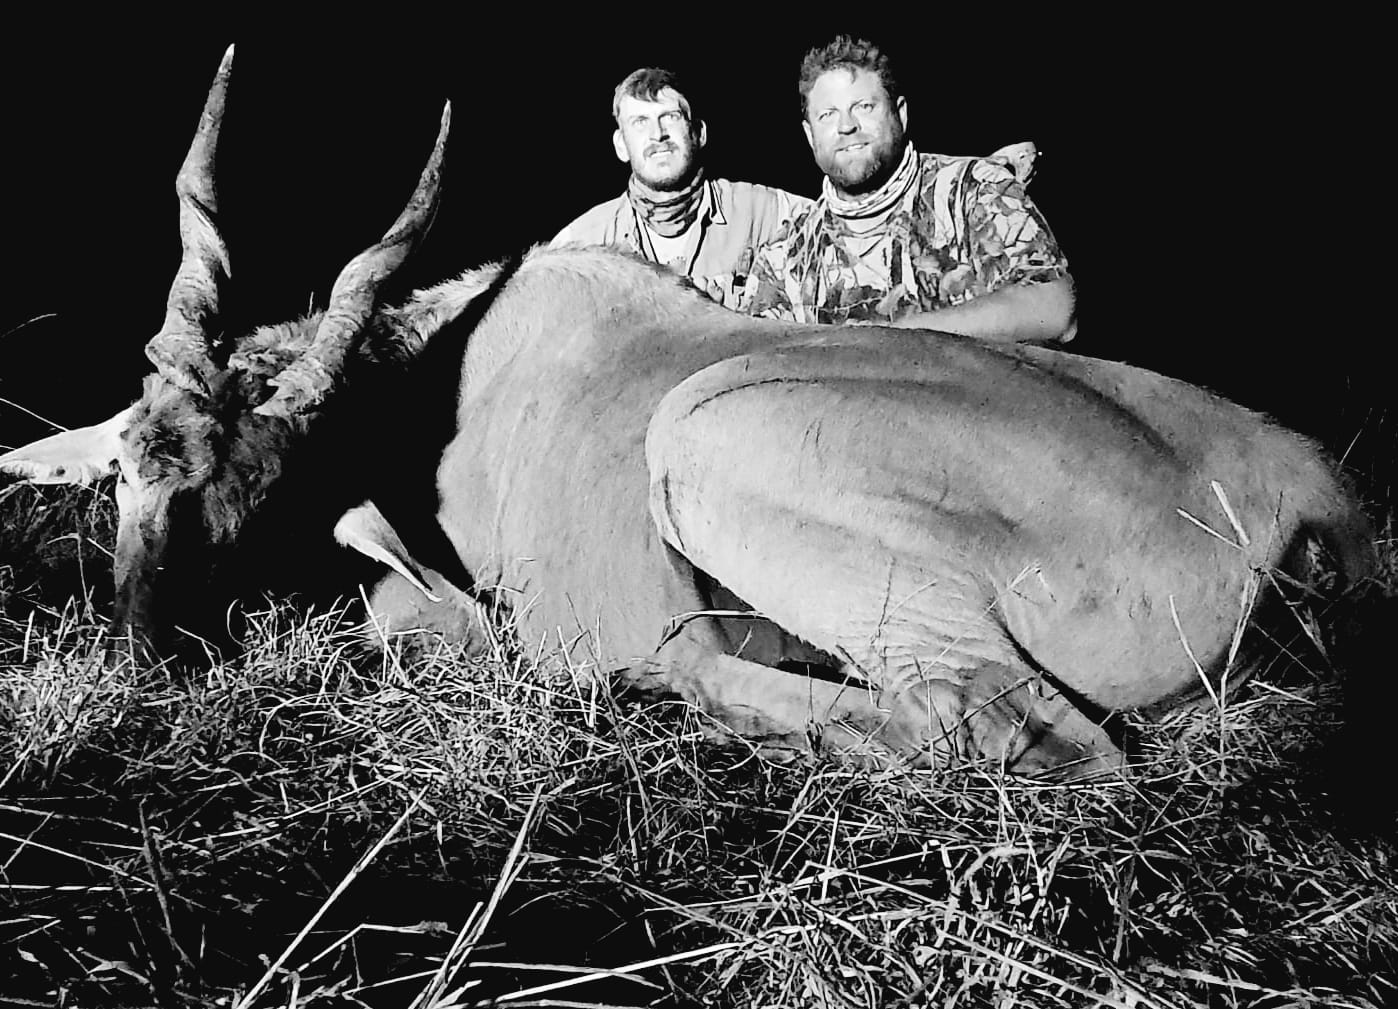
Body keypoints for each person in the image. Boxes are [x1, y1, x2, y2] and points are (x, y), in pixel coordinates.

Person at [741, 36, 1076, 343]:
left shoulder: (974, 189)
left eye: (864, 107)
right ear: (809, 135)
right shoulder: (784, 254)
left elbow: (1055, 309)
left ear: (899, 114)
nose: (846, 126)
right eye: (828, 115)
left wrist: (889, 341)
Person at [552, 68, 810, 309]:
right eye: (640, 122)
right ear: (621, 145)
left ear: (698, 133)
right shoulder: (581, 244)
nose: (657, 134)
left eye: (670, 117)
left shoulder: (764, 213)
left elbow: (833, 225)